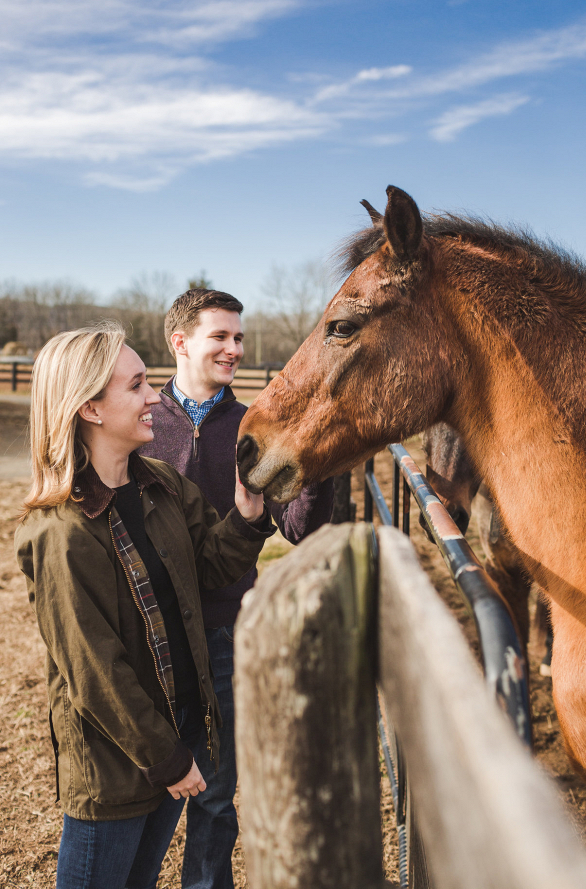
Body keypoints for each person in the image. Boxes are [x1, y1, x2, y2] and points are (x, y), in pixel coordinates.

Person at [14, 324, 275, 889]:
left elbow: (209, 566)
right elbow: (95, 671)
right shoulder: (61, 532)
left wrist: (248, 514)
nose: (156, 396)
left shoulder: (158, 484)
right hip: (118, 766)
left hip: (174, 736)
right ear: (90, 408)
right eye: (136, 386)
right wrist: (169, 759)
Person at [143, 287, 334, 889]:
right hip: (151, 632)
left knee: (215, 796)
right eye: (220, 336)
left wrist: (322, 457)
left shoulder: (253, 425)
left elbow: (301, 528)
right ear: (180, 342)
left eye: (239, 338)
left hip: (225, 631)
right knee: (145, 787)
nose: (235, 349)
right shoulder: (143, 420)